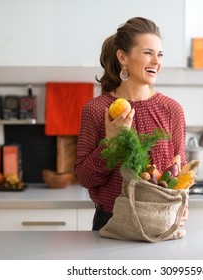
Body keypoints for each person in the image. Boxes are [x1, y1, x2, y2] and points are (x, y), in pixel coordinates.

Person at [74, 17, 187, 230]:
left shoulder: (172, 110)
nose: (156, 61)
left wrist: (183, 202)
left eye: (160, 54)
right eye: (147, 53)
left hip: (161, 221)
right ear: (123, 57)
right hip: (112, 222)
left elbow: (178, 173)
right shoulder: (97, 110)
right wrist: (111, 143)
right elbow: (85, 178)